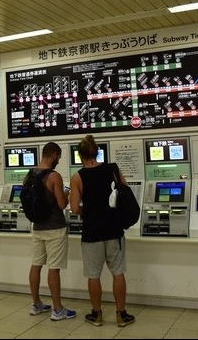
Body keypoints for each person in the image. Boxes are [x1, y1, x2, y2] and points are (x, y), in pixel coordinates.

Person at [69, 134, 135, 327]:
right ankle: (121, 315)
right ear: (97, 152)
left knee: (93, 275)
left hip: (92, 233)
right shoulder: (112, 169)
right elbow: (125, 192)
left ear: (80, 155)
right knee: (118, 272)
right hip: (114, 229)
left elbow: (73, 208)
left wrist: (88, 210)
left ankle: (96, 314)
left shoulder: (77, 177)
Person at [26, 142, 76, 321]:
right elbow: (62, 204)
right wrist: (67, 193)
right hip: (55, 228)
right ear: (54, 155)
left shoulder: (30, 174)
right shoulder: (54, 176)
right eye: (59, 157)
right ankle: (57, 309)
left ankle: (36, 304)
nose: (58, 161)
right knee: (53, 269)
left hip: (37, 227)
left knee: (36, 265)